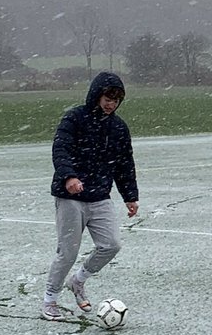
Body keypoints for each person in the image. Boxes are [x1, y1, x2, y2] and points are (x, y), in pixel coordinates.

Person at [41, 71, 139, 320]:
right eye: (108, 98)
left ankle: (78, 281)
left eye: (116, 100)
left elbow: (124, 163)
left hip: (100, 196)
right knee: (68, 252)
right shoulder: (75, 118)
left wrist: (130, 195)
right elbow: (60, 149)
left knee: (111, 245)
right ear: (97, 95)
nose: (111, 104)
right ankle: (49, 300)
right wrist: (70, 177)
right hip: (70, 197)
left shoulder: (118, 127)